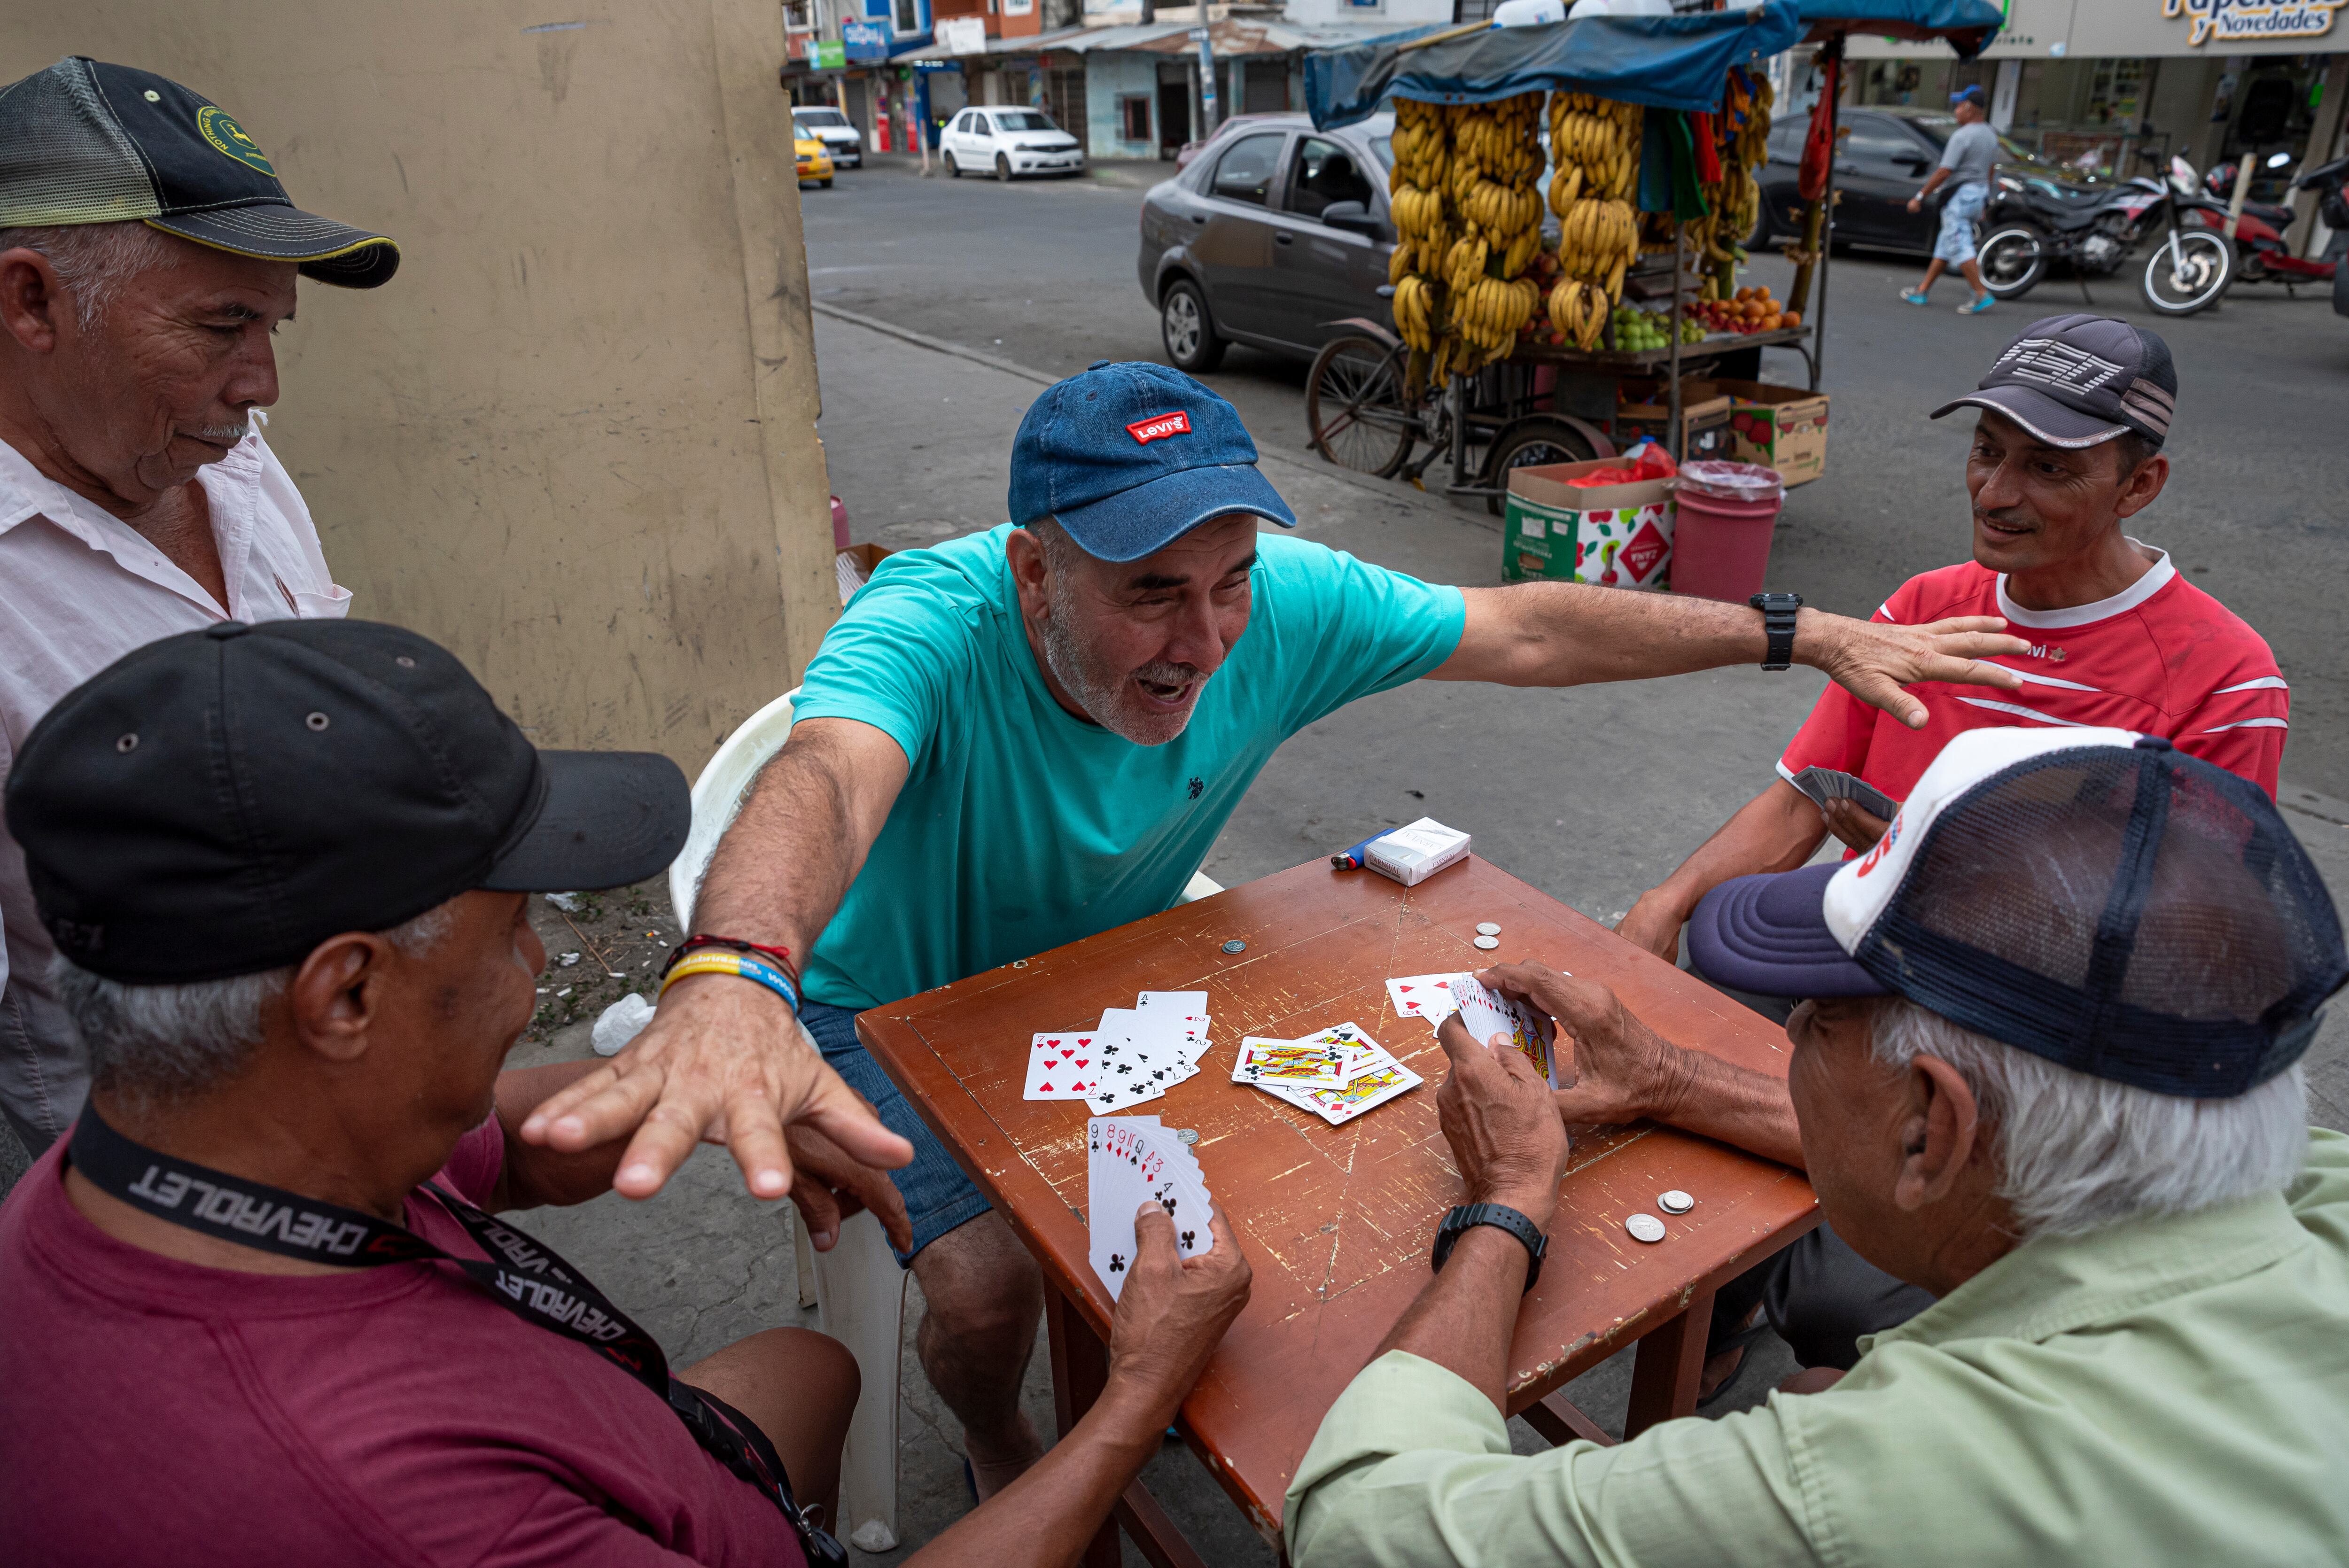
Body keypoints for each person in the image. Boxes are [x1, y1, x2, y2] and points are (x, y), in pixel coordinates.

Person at [517, 360, 2033, 1499]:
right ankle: (998, 1438)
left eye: (1231, 582)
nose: (1204, 637)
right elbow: (828, 777)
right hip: (882, 1006)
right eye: (1149, 593)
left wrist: (1798, 629)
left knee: (1323, 1194)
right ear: (1033, 564)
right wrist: (731, 971)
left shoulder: (1274, 600)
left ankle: (1179, 1394)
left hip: (1115, 969)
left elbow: (1528, 624)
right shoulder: (930, 613)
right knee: (983, 1291)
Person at [0, 618, 1252, 1567]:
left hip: (634, 1441)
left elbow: (522, 1146)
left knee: (810, 1369)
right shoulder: (389, 1497)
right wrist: (1133, 1399)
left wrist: (701, 1087)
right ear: (344, 1000)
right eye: (514, 930)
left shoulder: (177, 1149)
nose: (539, 963)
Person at [1285, 725, 2349, 1567]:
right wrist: (1667, 1076)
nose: (1783, 1029)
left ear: (1932, 1124)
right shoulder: (2315, 1192)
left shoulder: (1878, 1480)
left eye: (1818, 1018)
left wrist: (1509, 1198)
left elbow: (1356, 1528)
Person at [0, 57, 402, 1156]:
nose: (261, 382)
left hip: (358, 1120)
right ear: (30, 299)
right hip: (166, 1211)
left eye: (274, 325)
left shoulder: (221, 454)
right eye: (222, 325)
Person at [1619, 314, 2286, 968]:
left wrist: (1954, 880)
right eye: (1988, 450)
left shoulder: (2228, 678)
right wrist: (1666, 901)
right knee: (1716, 936)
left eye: (2048, 468)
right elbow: (1803, 803)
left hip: (2036, 1014)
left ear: (2139, 485)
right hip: (1873, 951)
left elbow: (2192, 940)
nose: (1993, 494)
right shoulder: (1922, 607)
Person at [1903, 84, 1999, 314]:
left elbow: (1944, 171)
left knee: (1959, 245)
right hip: (1977, 194)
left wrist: (1920, 196)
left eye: (1958, 106)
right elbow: (1991, 168)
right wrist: (1985, 198)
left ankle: (1980, 293)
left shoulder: (1962, 136)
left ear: (1969, 108)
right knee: (1946, 245)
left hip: (1960, 196)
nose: (1955, 111)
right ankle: (1923, 290)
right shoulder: (1990, 134)